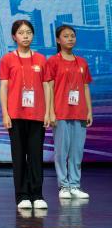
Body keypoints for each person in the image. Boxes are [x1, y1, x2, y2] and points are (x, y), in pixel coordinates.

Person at [0, 20, 52, 212]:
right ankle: (22, 195)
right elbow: (4, 88)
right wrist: (5, 113)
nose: (26, 36)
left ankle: (37, 194)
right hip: (15, 115)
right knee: (19, 156)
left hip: (37, 115)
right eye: (21, 33)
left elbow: (47, 87)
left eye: (29, 32)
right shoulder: (7, 59)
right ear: (14, 36)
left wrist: (48, 112)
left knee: (36, 156)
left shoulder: (41, 59)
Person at [46, 25, 93, 200]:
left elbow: (85, 87)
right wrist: (50, 111)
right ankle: (63, 186)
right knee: (61, 151)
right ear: (58, 40)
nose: (70, 39)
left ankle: (75, 185)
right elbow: (49, 88)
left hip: (79, 112)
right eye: (66, 36)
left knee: (77, 151)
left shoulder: (82, 62)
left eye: (72, 36)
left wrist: (89, 111)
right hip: (61, 112)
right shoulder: (53, 61)